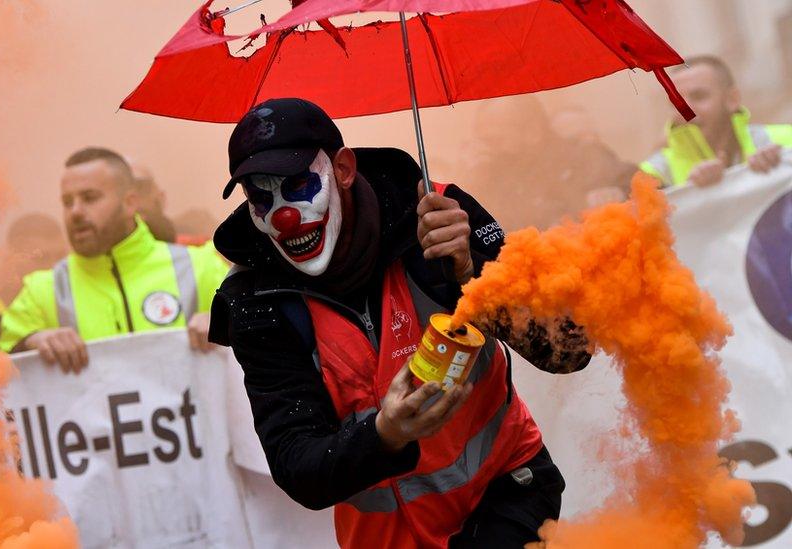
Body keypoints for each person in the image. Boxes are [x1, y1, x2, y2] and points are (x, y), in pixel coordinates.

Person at [209, 98, 592, 548]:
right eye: (260, 196)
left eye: (297, 185)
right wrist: (383, 435)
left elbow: (568, 351)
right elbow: (298, 467)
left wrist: (473, 275)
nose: (285, 215)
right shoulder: (257, 299)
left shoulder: (437, 213)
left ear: (344, 170)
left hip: (506, 496)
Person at [0, 147, 230, 371]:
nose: (75, 211)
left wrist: (229, 325)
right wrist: (30, 343)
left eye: (90, 198)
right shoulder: (42, 290)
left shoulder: (201, 267)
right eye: (67, 202)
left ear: (129, 203)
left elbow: (261, 332)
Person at [462, 96, 636, 230]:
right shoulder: (487, 176)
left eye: (495, 140)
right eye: (482, 140)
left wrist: (619, 192)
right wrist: (473, 182)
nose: (485, 149)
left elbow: (649, 189)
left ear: (533, 132)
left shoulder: (581, 158)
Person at [639, 55, 792, 188]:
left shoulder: (786, 139)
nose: (685, 110)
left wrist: (783, 166)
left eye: (699, 96)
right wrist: (690, 194)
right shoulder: (651, 174)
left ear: (732, 99)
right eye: (676, 101)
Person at [125, 160, 178, 243]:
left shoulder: (189, 249)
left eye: (141, 188)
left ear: (161, 198)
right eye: (124, 190)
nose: (134, 198)